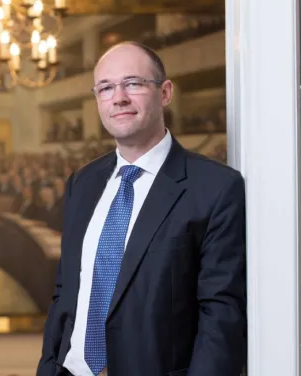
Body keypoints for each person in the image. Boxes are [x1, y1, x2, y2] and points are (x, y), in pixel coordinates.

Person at [36, 41, 247, 376]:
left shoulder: (215, 187)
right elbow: (67, 291)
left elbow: (222, 315)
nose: (118, 97)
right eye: (106, 88)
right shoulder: (82, 183)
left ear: (165, 93)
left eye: (133, 83)